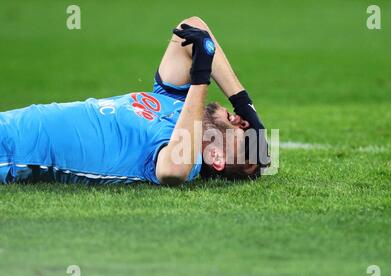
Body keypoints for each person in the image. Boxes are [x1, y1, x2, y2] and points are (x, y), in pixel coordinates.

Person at [0, 17, 269, 186]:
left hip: (10, 153)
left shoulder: (185, 155)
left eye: (244, 134)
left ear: (217, 157)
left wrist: (201, 78)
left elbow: (172, 172)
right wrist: (245, 105)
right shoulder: (174, 101)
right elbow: (192, 27)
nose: (242, 122)